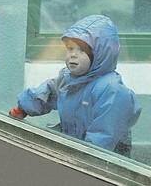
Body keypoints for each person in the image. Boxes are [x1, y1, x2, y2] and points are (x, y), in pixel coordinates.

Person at [9, 15, 141, 156]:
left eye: (82, 50)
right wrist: (25, 107)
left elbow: (102, 138)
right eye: (70, 48)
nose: (73, 55)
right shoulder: (68, 78)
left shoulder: (112, 90)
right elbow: (48, 92)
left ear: (101, 54)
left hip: (103, 163)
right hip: (74, 148)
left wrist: (85, 156)